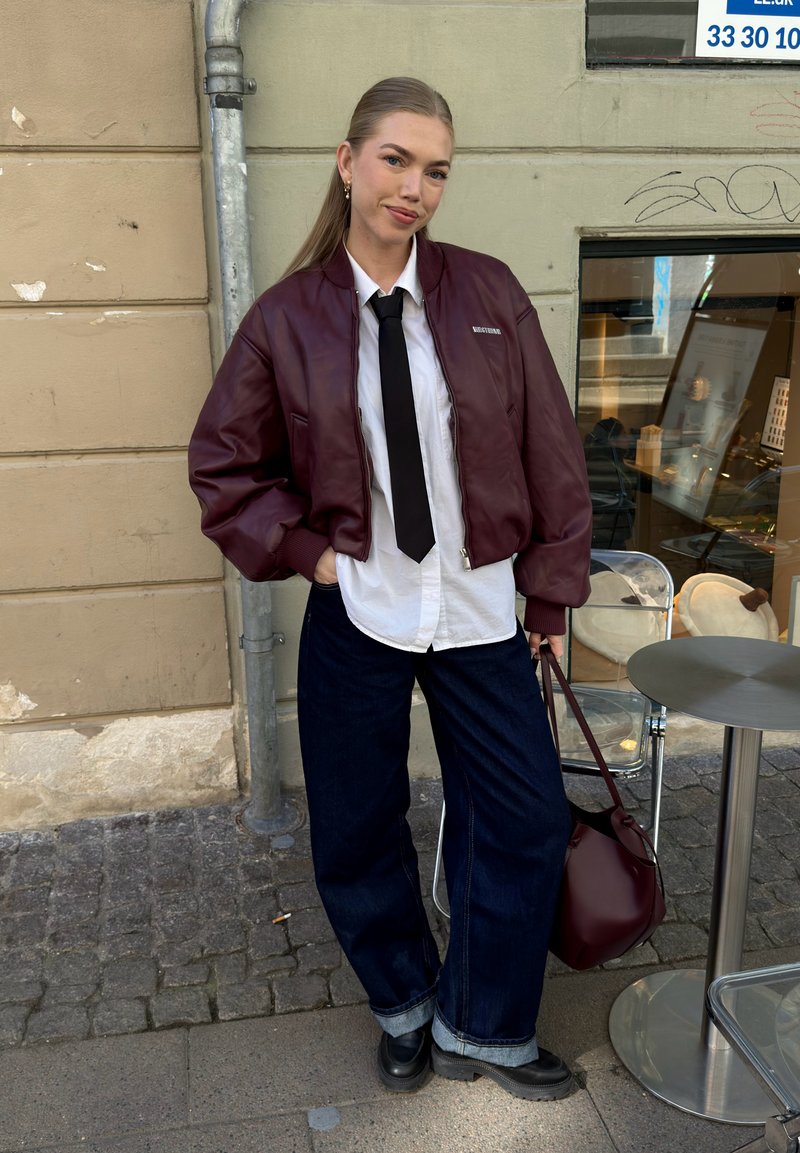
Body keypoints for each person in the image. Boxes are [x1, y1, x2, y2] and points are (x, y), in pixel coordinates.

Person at [189, 76, 592, 1102]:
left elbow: (551, 450)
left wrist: (548, 598)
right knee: (358, 825)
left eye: (435, 170)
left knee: (525, 817)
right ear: (347, 161)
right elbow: (225, 467)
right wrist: (315, 556)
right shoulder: (287, 319)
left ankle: (485, 1024)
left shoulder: (488, 292)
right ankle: (406, 1005)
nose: (413, 187)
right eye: (395, 160)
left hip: (478, 611)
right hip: (359, 615)